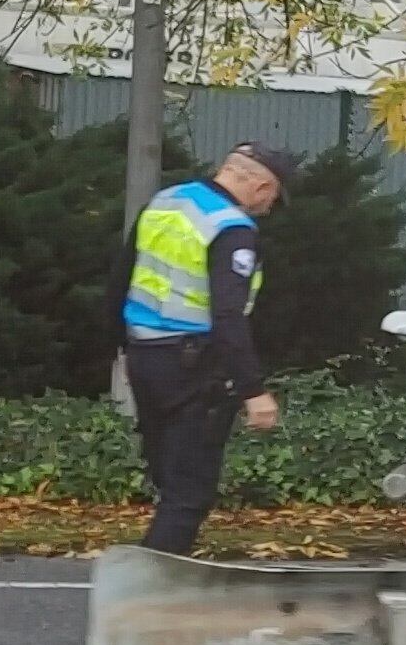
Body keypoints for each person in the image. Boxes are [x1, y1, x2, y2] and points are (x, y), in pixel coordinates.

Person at [121, 142, 298, 555]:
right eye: (273, 194)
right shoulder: (231, 228)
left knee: (170, 480)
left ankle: (153, 582)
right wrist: (254, 390)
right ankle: (152, 593)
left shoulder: (167, 202)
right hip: (194, 366)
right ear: (259, 184)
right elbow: (228, 316)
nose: (270, 205)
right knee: (189, 492)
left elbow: (122, 276)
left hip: (145, 357)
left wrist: (119, 346)